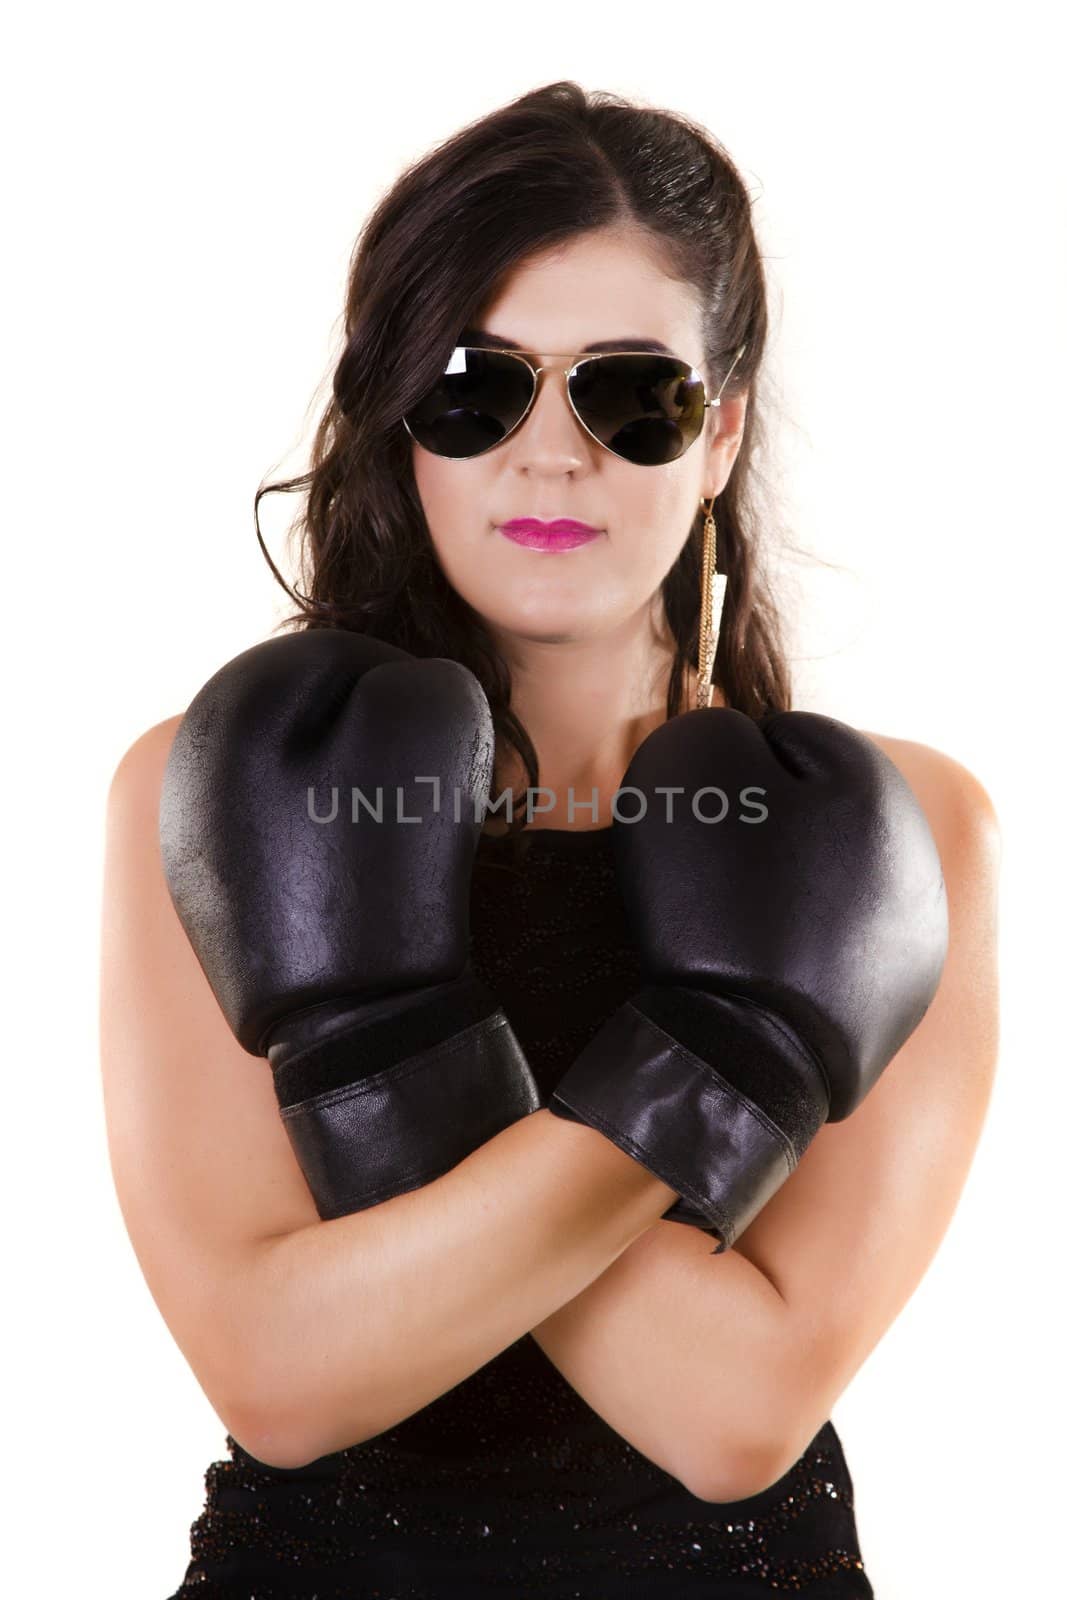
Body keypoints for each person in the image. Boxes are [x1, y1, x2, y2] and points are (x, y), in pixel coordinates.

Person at [99, 80, 1001, 1598]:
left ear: (719, 432)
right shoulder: (203, 790)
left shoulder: (909, 834)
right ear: (401, 423)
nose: (551, 452)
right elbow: (280, 1381)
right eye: (478, 385)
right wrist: (711, 1075)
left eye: (627, 392)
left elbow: (734, 1418)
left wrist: (380, 1082)